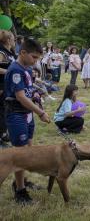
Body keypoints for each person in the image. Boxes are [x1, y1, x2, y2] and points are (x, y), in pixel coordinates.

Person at [4, 38, 50, 204]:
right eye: (34, 57)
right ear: (22, 52)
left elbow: (28, 91)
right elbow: (21, 97)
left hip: (27, 115)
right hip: (17, 115)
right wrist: (40, 112)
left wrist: (37, 96)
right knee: (21, 155)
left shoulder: (27, 68)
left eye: (37, 58)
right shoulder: (15, 70)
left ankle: (20, 181)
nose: (35, 61)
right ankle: (20, 191)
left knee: (28, 152)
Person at [0, 30, 17, 146]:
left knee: (6, 109)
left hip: (8, 85)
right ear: (8, 40)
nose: (15, 41)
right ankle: (1, 134)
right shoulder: (2, 52)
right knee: (1, 109)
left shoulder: (9, 52)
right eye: (13, 39)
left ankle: (3, 133)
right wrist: (9, 72)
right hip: (1, 85)